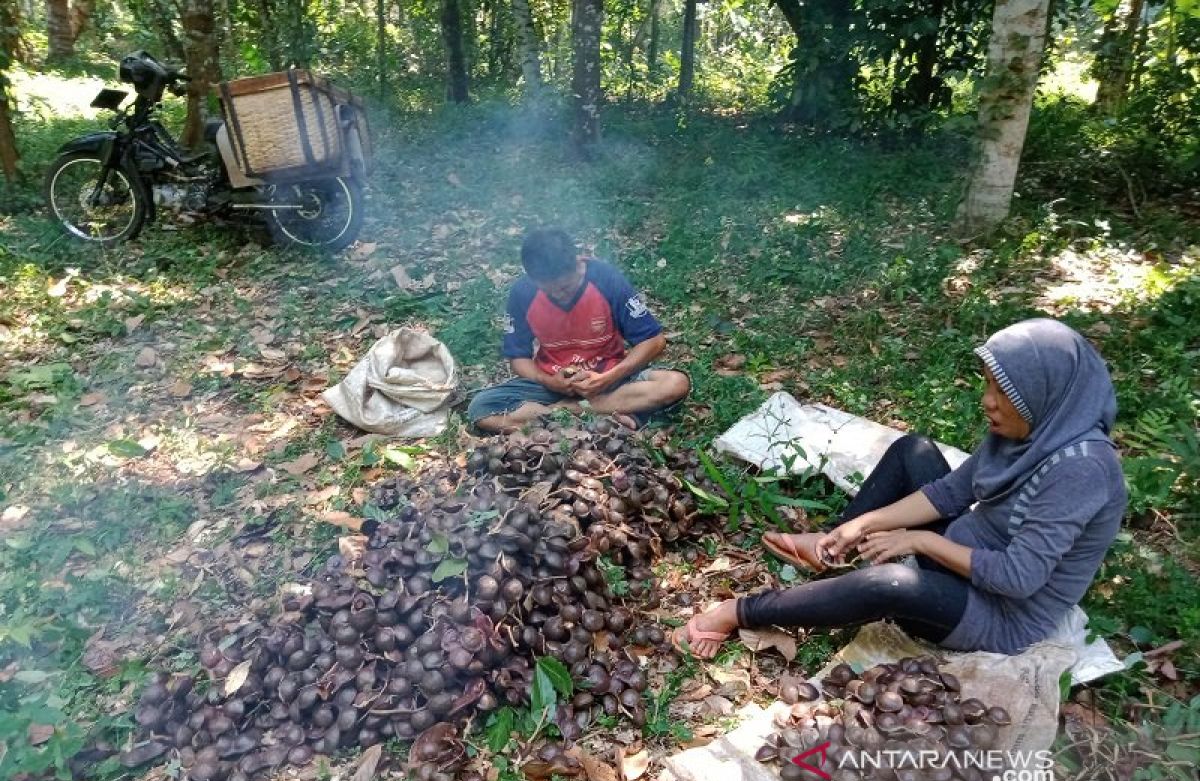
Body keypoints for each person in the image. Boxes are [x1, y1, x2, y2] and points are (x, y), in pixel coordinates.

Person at [672, 318, 1128, 658]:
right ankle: (833, 546)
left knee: (893, 583)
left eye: (1003, 391)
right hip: (962, 556)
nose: (987, 401)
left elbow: (1017, 578)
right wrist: (862, 526)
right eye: (988, 384)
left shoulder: (1081, 470)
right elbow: (950, 493)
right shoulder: (1031, 431)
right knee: (914, 451)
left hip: (995, 615)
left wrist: (920, 540)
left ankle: (742, 612)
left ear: (1045, 394)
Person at [467, 228, 690, 433]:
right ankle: (592, 415)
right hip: (554, 385)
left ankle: (566, 414)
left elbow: (654, 341)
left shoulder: (605, 279)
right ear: (533, 279)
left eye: (565, 287)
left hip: (611, 379)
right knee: (481, 408)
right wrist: (548, 380)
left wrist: (607, 378)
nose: (560, 295)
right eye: (550, 291)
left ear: (578, 264)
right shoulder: (523, 292)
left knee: (675, 384)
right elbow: (518, 358)